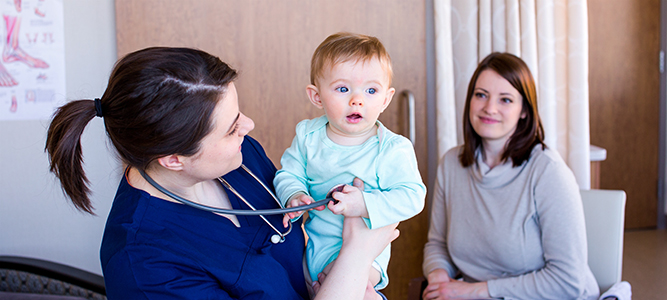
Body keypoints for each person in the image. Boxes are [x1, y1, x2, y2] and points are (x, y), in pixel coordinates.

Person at [45, 46, 399, 300]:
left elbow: (286, 246)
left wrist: (341, 281)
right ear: (173, 158)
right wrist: (357, 253)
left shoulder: (239, 158)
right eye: (231, 127)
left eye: (238, 113)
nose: (249, 125)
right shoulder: (146, 264)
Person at [421, 52, 599, 300]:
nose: (489, 108)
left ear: (524, 111)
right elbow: (437, 244)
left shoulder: (548, 172)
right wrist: (440, 280)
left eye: (505, 99)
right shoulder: (451, 164)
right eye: (481, 95)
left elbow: (567, 281)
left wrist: (475, 291)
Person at [273, 32, 426, 293]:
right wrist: (295, 194)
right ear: (317, 96)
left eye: (371, 90)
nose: (357, 100)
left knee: (355, 290)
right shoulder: (308, 136)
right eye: (343, 89)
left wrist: (363, 204)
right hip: (314, 250)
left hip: (368, 254)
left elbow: (413, 197)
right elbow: (288, 173)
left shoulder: (391, 148)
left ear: (386, 99)